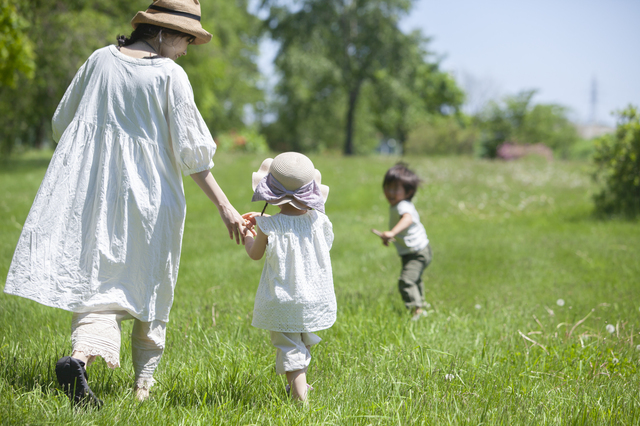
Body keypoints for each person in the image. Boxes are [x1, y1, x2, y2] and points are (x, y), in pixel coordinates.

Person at [3, 0, 249, 406]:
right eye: (187, 38)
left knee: (98, 286)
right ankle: (142, 390)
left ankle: (80, 357)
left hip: (95, 195)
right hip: (152, 199)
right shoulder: (170, 75)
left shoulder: (100, 59)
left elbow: (63, 121)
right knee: (150, 286)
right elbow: (193, 154)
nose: (188, 48)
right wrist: (226, 207)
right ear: (164, 32)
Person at [242, 152, 336, 403]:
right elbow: (324, 246)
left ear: (270, 192)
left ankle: (299, 400)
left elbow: (255, 254)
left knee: (288, 346)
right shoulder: (320, 222)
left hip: (284, 297)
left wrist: (249, 232)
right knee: (302, 339)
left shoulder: (269, 226)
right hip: (313, 295)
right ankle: (299, 385)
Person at [372, 163, 432, 321]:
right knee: (415, 279)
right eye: (387, 187)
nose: (390, 193)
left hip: (417, 252)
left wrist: (392, 232)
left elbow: (407, 219)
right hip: (413, 251)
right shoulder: (397, 205)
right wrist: (390, 237)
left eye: (395, 189)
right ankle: (421, 306)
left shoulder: (403, 206)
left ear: (408, 192)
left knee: (406, 281)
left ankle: (416, 311)